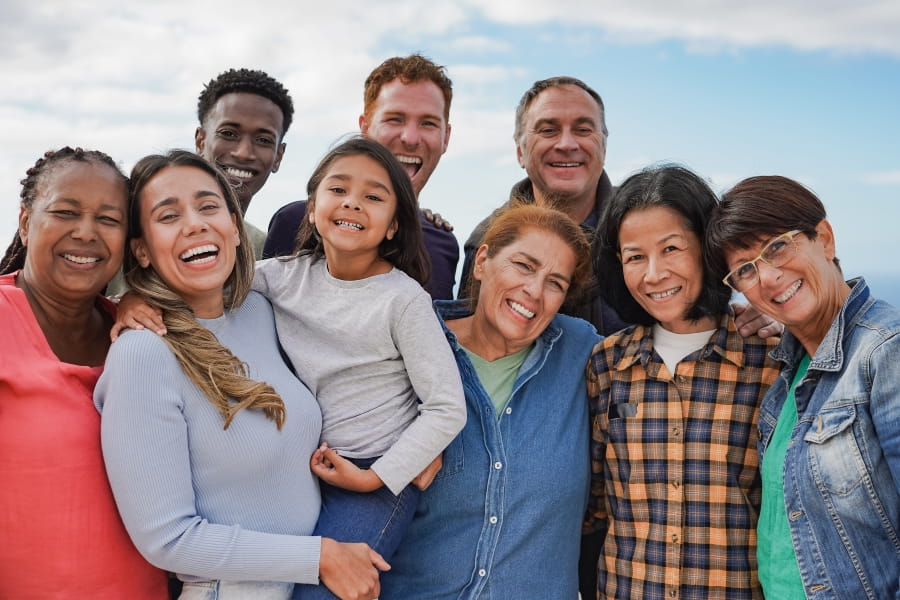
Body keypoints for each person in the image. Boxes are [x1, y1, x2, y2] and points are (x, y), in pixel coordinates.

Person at [95, 150, 388, 600]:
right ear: (142, 250)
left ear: (234, 226)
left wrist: (412, 444)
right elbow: (167, 540)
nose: (194, 224)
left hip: (309, 585)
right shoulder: (143, 354)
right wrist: (317, 557)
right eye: (169, 216)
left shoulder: (259, 310)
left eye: (208, 206)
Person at [251, 136, 465, 599]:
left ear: (393, 226)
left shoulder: (403, 299)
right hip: (300, 467)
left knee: (323, 593)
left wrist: (372, 477)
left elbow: (447, 406)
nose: (353, 202)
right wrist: (129, 303)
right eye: (338, 189)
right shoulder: (281, 276)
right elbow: (207, 285)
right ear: (312, 207)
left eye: (373, 197)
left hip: (373, 475)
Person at [380, 203, 600, 599]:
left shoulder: (582, 352)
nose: (534, 291)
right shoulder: (409, 343)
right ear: (482, 261)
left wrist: (749, 317)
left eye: (556, 283)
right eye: (524, 265)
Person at [585, 165, 781, 600]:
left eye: (671, 248)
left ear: (707, 248)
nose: (653, 273)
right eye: (635, 256)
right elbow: (595, 503)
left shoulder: (769, 359)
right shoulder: (606, 364)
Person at [705, 175, 900, 600]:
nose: (769, 278)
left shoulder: (885, 351)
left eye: (777, 246)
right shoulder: (789, 373)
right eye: (745, 270)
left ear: (824, 239)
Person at [0, 147, 169, 599]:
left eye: (109, 220)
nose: (87, 232)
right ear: (24, 222)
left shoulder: (142, 335)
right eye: (65, 212)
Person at [264, 53, 459, 300]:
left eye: (428, 123)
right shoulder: (294, 223)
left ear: (446, 137)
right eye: (394, 119)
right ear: (365, 128)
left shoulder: (443, 245)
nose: (410, 138)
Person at [195, 67, 294, 258]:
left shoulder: (265, 254)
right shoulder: (137, 230)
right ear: (201, 141)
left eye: (263, 140)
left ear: (278, 156)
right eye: (228, 134)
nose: (243, 153)